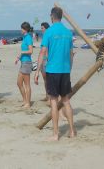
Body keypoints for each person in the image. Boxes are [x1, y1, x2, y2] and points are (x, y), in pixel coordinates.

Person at [35, 7, 76, 141]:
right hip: (65, 70)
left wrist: (36, 71)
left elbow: (42, 52)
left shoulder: (49, 32)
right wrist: (69, 68)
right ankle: (71, 131)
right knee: (66, 101)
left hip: (52, 70)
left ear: (52, 16)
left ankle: (55, 134)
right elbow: (71, 54)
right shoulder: (68, 32)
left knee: (53, 101)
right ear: (62, 16)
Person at [15, 22, 33, 108]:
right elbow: (24, 50)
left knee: (27, 84)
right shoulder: (25, 37)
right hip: (23, 62)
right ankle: (25, 100)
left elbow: (30, 51)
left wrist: (22, 52)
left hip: (27, 63)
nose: (20, 30)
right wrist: (18, 57)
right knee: (19, 83)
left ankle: (28, 103)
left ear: (25, 29)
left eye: (21, 28)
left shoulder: (28, 37)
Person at [36, 22, 50, 100]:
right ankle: (47, 95)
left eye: (42, 28)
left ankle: (49, 96)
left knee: (47, 79)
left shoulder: (47, 35)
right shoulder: (45, 35)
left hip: (46, 59)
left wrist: (47, 58)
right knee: (45, 79)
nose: (41, 30)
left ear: (46, 28)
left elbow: (47, 48)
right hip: (43, 59)